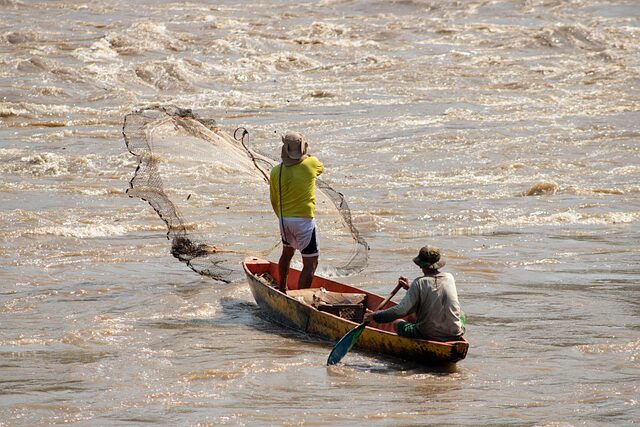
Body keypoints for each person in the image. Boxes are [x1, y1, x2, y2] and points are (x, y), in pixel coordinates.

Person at [363, 245, 466, 341]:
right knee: (461, 313)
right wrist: (409, 288)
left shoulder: (419, 282)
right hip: (455, 332)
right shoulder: (449, 277)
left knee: (397, 322)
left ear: (420, 265)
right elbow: (433, 294)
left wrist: (374, 316)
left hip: (426, 334)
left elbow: (400, 311)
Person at [269, 131, 324, 293]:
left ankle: (282, 288)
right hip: (304, 222)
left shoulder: (275, 171)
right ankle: (301, 299)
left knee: (287, 253)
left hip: (284, 220)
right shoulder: (311, 163)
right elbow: (321, 168)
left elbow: (273, 200)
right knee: (311, 262)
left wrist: (282, 219)